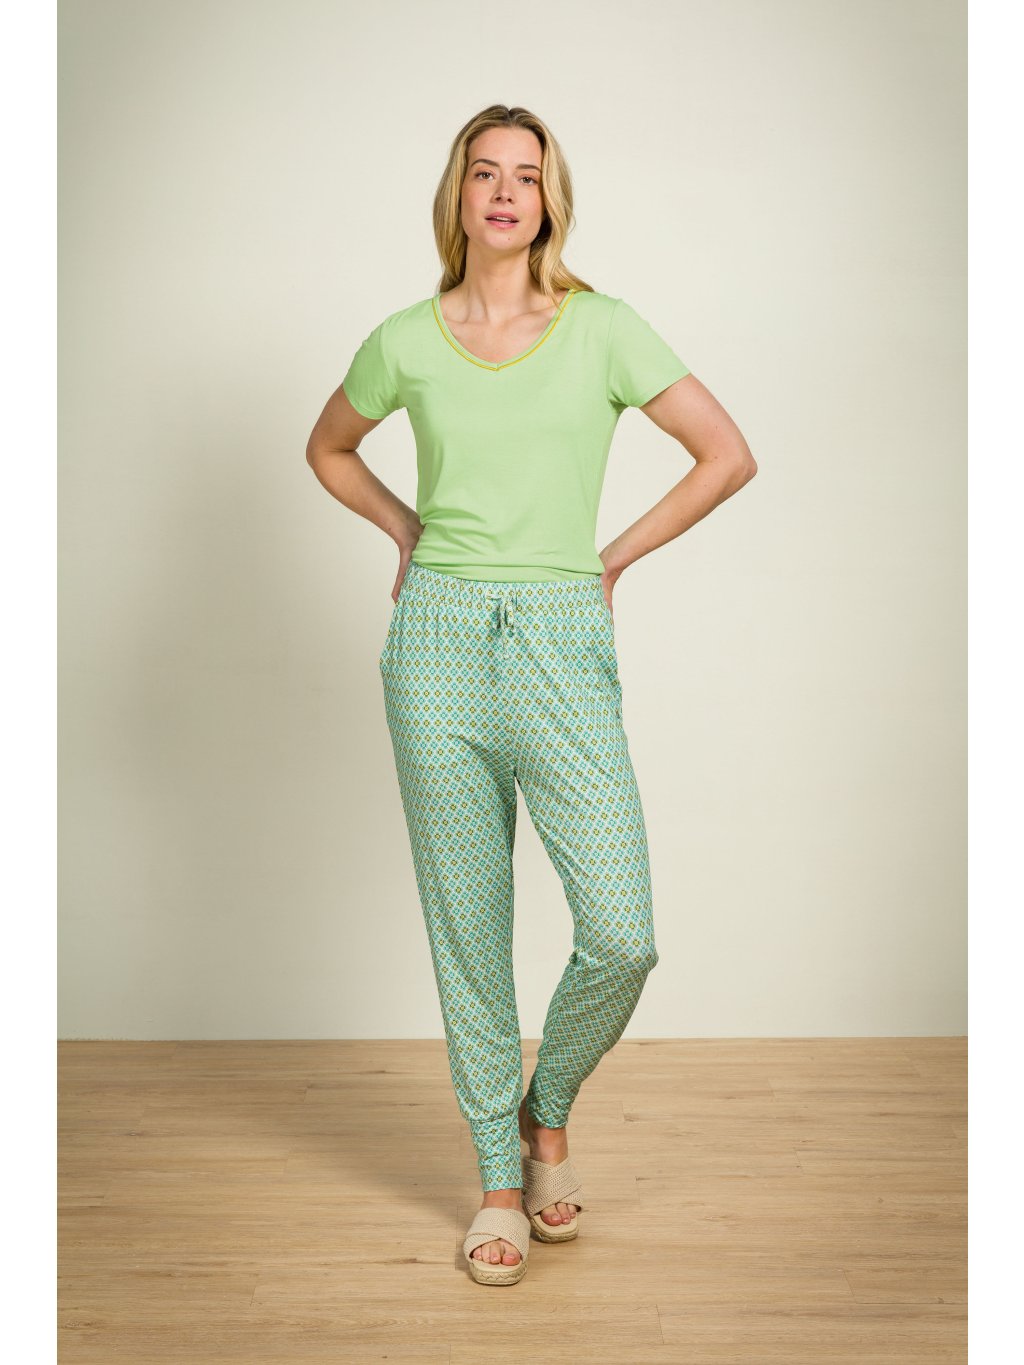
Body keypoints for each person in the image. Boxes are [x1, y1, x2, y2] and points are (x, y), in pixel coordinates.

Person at [306, 104, 757, 1286]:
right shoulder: (404, 339)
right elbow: (328, 447)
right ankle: (497, 1180)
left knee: (621, 933)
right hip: (435, 644)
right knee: (469, 926)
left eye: (527, 174)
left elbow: (726, 454)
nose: (506, 191)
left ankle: (543, 1111)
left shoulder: (602, 329)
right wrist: (404, 529)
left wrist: (611, 560)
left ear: (550, 199)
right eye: (485, 173)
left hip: (561, 637)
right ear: (457, 195)